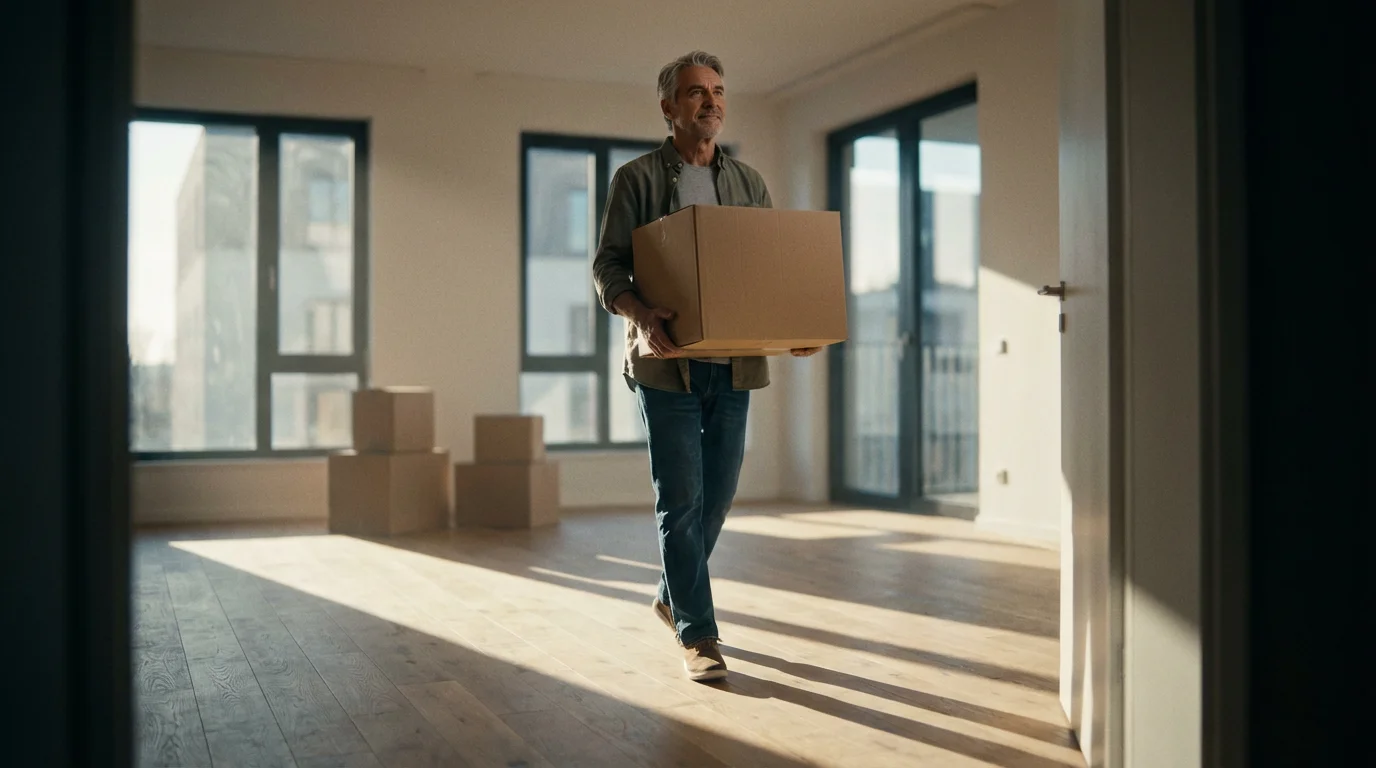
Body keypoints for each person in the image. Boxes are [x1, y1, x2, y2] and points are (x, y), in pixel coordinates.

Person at [592, 51, 820, 682]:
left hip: (735, 366)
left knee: (715, 499)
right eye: (696, 93)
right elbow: (606, 268)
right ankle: (700, 632)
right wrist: (640, 314)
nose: (711, 102)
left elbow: (767, 270)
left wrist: (795, 326)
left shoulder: (749, 183)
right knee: (681, 499)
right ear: (668, 107)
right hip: (665, 368)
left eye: (718, 91)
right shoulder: (636, 179)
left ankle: (671, 595)